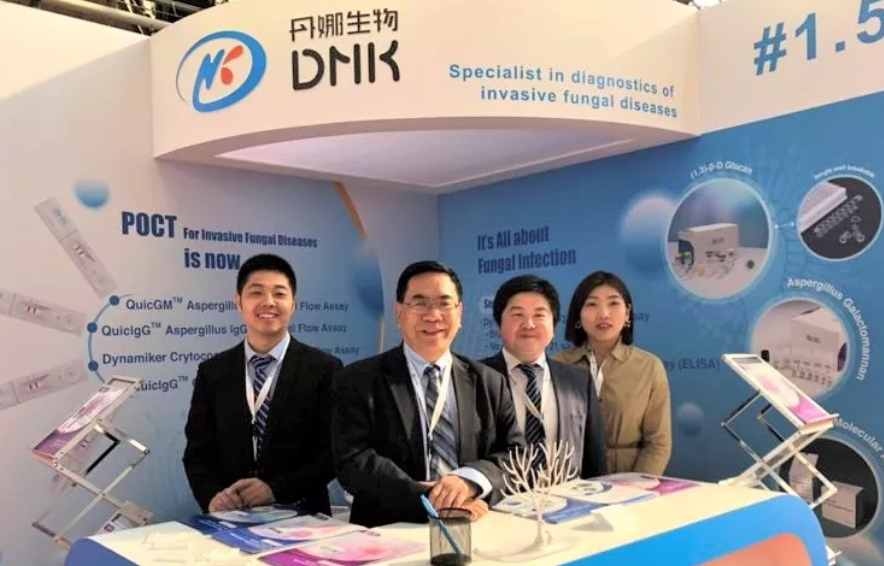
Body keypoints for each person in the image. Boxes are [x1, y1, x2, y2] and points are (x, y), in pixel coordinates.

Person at [332, 261, 524, 528]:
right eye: (419, 303)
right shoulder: (358, 379)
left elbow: (515, 455)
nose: (433, 315)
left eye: (444, 303)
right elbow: (353, 461)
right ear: (399, 313)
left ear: (460, 313)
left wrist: (470, 481)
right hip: (390, 531)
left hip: (475, 527)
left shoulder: (489, 381)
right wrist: (432, 499)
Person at [183, 254, 342, 515]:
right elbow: (197, 452)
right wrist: (212, 498)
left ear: (293, 304)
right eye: (256, 292)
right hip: (230, 515)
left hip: (303, 516)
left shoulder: (324, 369)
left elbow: (333, 452)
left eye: (279, 294)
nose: (268, 302)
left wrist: (275, 489)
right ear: (239, 302)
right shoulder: (213, 372)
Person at [480, 275, 607, 478]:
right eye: (517, 315)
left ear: (554, 327)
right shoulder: (476, 378)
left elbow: (595, 463)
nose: (529, 324)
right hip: (498, 497)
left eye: (539, 315)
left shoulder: (579, 381)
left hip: (567, 496)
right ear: (498, 325)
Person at [552, 271, 671, 475]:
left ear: (627, 313)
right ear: (578, 314)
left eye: (613, 303)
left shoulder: (649, 366)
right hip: (569, 479)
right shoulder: (558, 364)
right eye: (592, 304)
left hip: (628, 478)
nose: (603, 314)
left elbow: (658, 443)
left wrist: (635, 487)